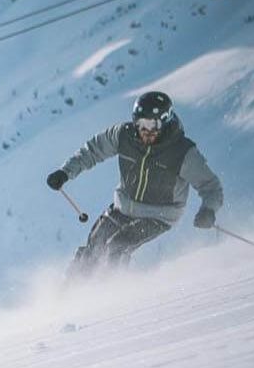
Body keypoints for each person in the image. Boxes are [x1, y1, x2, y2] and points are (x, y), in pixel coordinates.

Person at [47, 91, 224, 275]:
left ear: (165, 121)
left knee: (117, 246)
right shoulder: (124, 136)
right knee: (95, 244)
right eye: (141, 124)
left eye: (153, 124)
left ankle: (114, 293)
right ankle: (69, 292)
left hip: (159, 214)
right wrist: (65, 172)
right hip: (124, 206)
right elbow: (93, 150)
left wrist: (208, 210)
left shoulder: (182, 152)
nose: (146, 131)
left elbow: (211, 187)